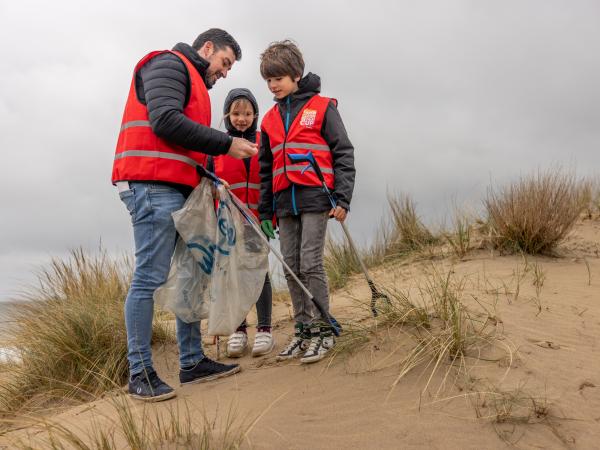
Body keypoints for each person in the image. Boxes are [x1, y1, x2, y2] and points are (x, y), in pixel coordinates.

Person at [112, 28, 258, 402]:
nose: (225, 72)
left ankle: (192, 363)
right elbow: (164, 121)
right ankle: (140, 372)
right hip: (150, 185)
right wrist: (227, 144)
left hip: (181, 190)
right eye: (225, 62)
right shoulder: (168, 64)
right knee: (150, 276)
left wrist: (209, 171)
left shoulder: (194, 85)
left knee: (193, 273)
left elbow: (185, 142)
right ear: (207, 48)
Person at [257, 41, 356, 364]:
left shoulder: (323, 107)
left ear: (296, 75)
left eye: (278, 78)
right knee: (290, 265)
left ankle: (323, 328)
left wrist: (343, 197)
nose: (273, 85)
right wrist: (266, 210)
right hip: (284, 201)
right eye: (269, 80)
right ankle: (303, 330)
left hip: (316, 197)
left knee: (310, 262)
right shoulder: (269, 119)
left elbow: (343, 152)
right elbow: (265, 168)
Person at [208, 89, 275, 358]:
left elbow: (270, 180)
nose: (242, 119)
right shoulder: (216, 145)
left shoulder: (262, 143)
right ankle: (238, 329)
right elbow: (207, 180)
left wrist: (270, 215)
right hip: (228, 222)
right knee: (232, 275)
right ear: (227, 115)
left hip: (258, 220)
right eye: (236, 113)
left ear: (255, 115)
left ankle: (265, 330)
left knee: (259, 272)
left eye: (247, 113)